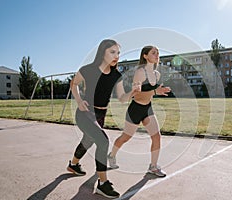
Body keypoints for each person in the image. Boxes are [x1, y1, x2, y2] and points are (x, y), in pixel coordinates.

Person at [67, 39, 140, 198]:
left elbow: (121, 98)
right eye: (112, 52)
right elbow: (74, 84)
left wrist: (132, 92)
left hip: (101, 115)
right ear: (102, 53)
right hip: (85, 113)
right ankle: (103, 183)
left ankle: (73, 164)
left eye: (118, 53)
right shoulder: (87, 70)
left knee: (89, 140)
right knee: (103, 141)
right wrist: (79, 101)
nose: (117, 56)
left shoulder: (116, 75)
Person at [108, 45, 171, 177]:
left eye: (158, 53)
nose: (157, 55)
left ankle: (153, 167)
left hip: (147, 109)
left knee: (156, 136)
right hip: (135, 109)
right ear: (145, 56)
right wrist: (155, 91)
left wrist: (157, 92)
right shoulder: (140, 72)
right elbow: (137, 94)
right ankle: (112, 155)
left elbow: (149, 94)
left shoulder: (157, 74)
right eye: (153, 53)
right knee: (126, 137)